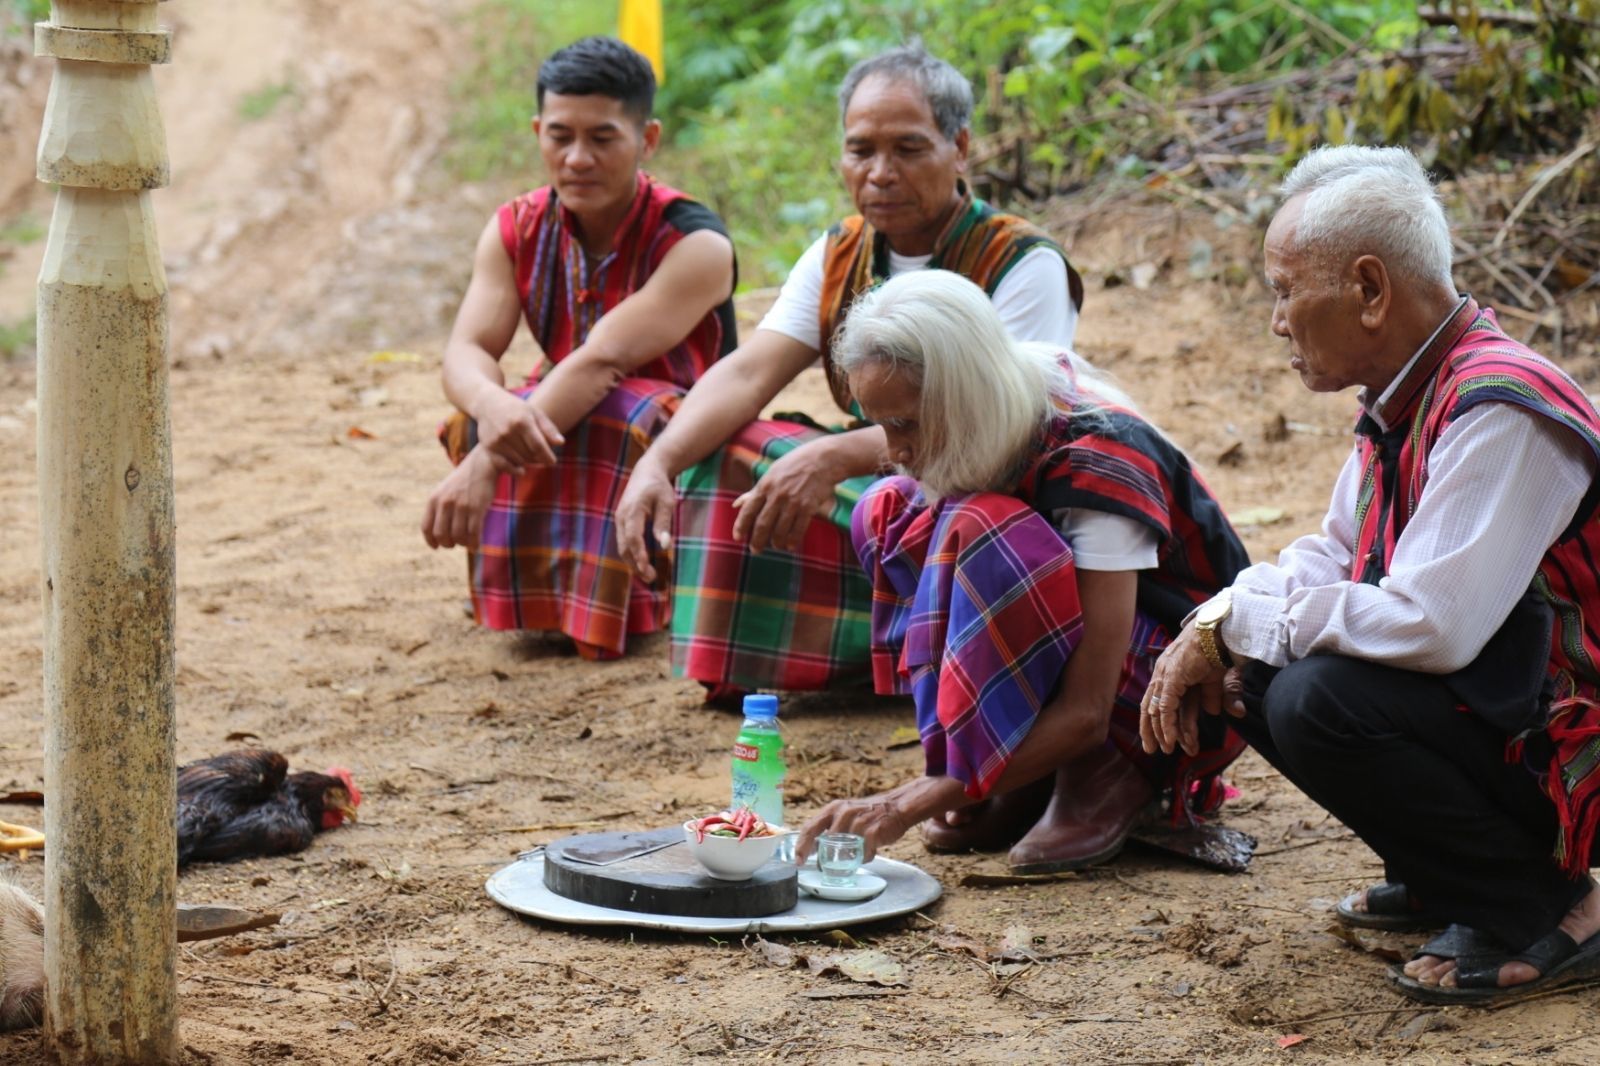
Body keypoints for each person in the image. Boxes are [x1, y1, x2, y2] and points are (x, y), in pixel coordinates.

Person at [1141, 144, 1600, 1004]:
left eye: (1285, 290)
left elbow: (1431, 623)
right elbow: (1331, 552)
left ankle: (1547, 907)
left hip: (1580, 738)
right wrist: (1219, 622)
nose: (1276, 320)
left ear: (1369, 288)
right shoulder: (1407, 395)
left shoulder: (1498, 407)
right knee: (1264, 670)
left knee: (1318, 698)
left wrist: (1243, 622)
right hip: (1516, 708)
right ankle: (1445, 875)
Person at [613, 44, 1084, 700]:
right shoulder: (839, 252)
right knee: (724, 448)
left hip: (984, 486)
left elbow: (1004, 425)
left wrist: (833, 457)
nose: (881, 173)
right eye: (861, 150)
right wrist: (655, 466)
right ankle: (814, 657)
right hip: (885, 476)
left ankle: (912, 650)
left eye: (909, 149)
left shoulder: (1023, 262)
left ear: (961, 147)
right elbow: (750, 372)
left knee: (928, 505)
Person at [791, 270, 1248, 872]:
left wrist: (910, 802)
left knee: (986, 531)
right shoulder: (1003, 399)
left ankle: (1112, 772)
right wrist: (960, 774)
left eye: (907, 424)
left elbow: (1088, 706)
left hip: (1171, 686)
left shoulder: (1098, 459)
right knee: (890, 508)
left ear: (963, 398)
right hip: (1081, 650)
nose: (893, 449)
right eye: (883, 424)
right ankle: (1013, 766)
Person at [421, 36, 737, 661]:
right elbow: (466, 348)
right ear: (538, 131)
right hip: (568, 396)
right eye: (560, 136)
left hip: (683, 416)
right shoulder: (517, 226)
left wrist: (485, 462)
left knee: (620, 415)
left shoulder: (695, 242)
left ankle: (644, 598)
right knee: (479, 417)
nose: (577, 158)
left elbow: (604, 360)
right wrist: (490, 407)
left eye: (602, 138)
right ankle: (537, 598)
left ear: (647, 140)